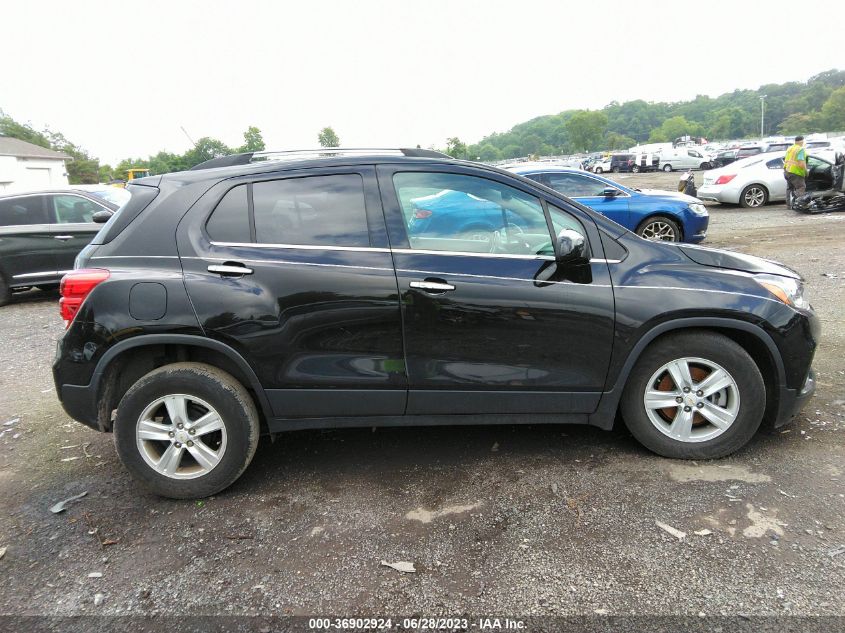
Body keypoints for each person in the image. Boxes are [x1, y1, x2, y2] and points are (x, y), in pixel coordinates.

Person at [784, 135, 808, 208]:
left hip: (787, 170)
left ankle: (789, 205)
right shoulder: (800, 149)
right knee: (801, 187)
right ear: (802, 141)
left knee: (790, 188)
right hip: (796, 172)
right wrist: (806, 171)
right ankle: (800, 204)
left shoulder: (790, 148)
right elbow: (801, 164)